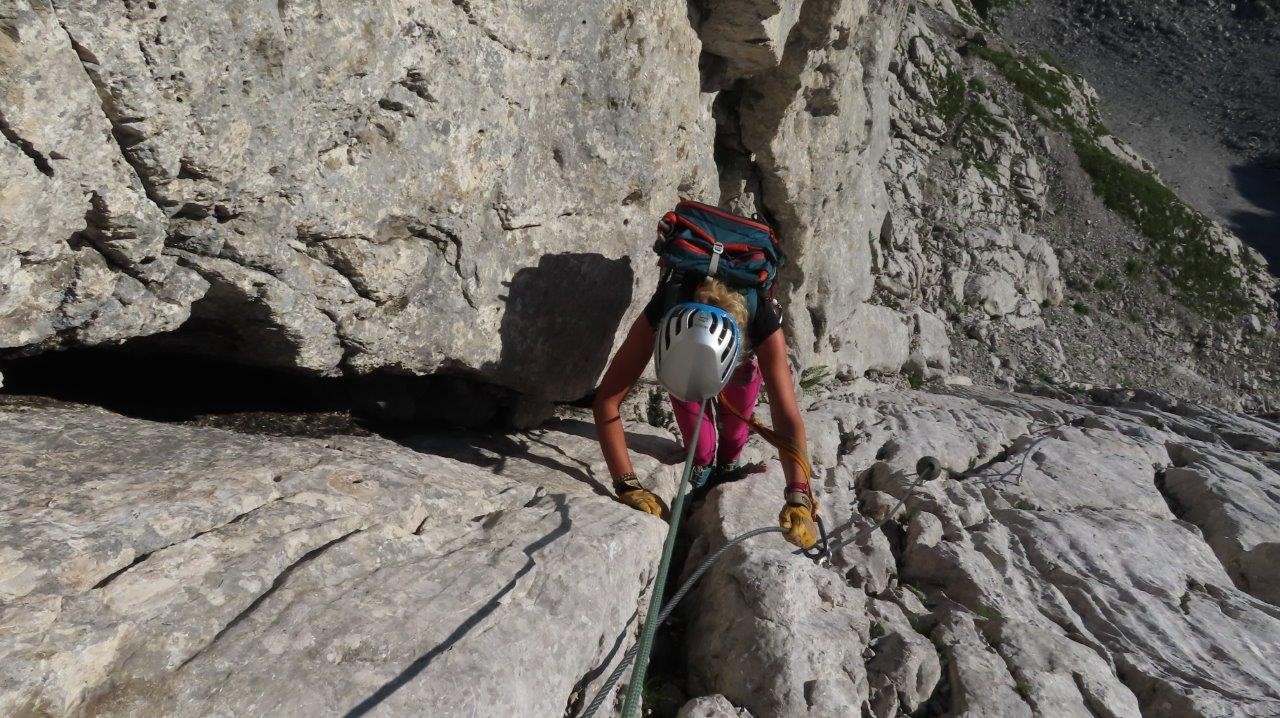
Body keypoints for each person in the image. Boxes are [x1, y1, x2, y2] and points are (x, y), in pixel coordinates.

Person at [591, 269, 819, 549]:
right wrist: (626, 484)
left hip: (739, 366)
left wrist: (799, 495)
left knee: (735, 437)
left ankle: (727, 466)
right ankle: (703, 465)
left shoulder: (762, 319)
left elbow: (787, 418)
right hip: (682, 362)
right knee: (700, 447)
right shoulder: (666, 306)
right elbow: (606, 400)